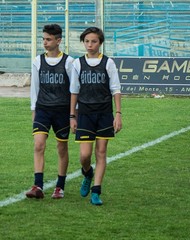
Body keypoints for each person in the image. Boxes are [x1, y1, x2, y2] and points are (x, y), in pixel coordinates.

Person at [70, 27, 122, 205]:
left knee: (101, 153)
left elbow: (116, 89)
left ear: (100, 43)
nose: (90, 44)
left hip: (104, 114)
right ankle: (87, 173)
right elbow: (74, 91)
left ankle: (96, 191)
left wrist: (118, 114)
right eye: (87, 41)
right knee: (85, 155)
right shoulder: (78, 63)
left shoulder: (108, 63)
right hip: (84, 114)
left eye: (93, 41)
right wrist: (72, 116)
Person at [26, 24, 74, 199]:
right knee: (38, 145)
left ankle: (59, 186)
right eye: (43, 39)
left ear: (58, 40)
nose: (45, 42)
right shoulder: (37, 61)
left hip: (62, 111)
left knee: (61, 148)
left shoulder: (69, 62)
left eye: (48, 39)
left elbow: (74, 89)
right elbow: (35, 88)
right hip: (43, 110)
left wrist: (73, 114)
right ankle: (37, 185)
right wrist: (34, 110)